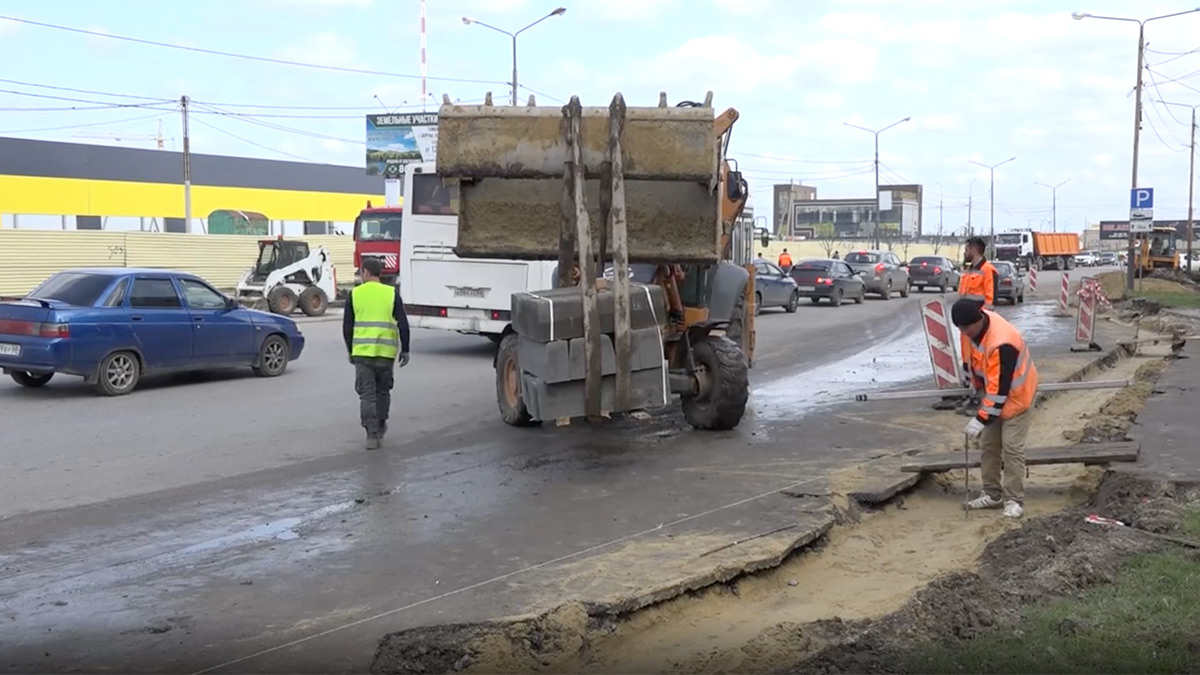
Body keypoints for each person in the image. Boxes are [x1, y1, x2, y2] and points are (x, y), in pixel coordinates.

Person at [951, 299, 1039, 519]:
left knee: (1011, 449)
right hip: (993, 394)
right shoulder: (973, 329)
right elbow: (978, 364)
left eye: (965, 328)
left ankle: (1014, 500)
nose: (963, 333)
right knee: (989, 445)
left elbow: (1001, 391)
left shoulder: (1002, 343)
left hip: (1018, 397)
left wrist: (980, 419)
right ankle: (992, 494)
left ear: (977, 320)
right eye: (959, 328)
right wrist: (973, 383)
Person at [343, 257, 411, 450]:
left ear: (365, 272)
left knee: (367, 395)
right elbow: (403, 324)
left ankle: (371, 435)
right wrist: (405, 349)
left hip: (362, 354)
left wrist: (350, 350)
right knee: (383, 392)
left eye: (360, 272)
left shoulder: (355, 294)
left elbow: (347, 327)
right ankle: (381, 425)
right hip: (385, 353)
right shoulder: (391, 294)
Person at [955, 236, 998, 415]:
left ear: (973, 249)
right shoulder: (968, 270)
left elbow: (990, 301)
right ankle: (971, 395)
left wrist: (982, 325)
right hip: (966, 327)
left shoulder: (988, 270)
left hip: (978, 327)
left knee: (980, 364)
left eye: (966, 249)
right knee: (967, 362)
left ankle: (980, 399)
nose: (965, 252)